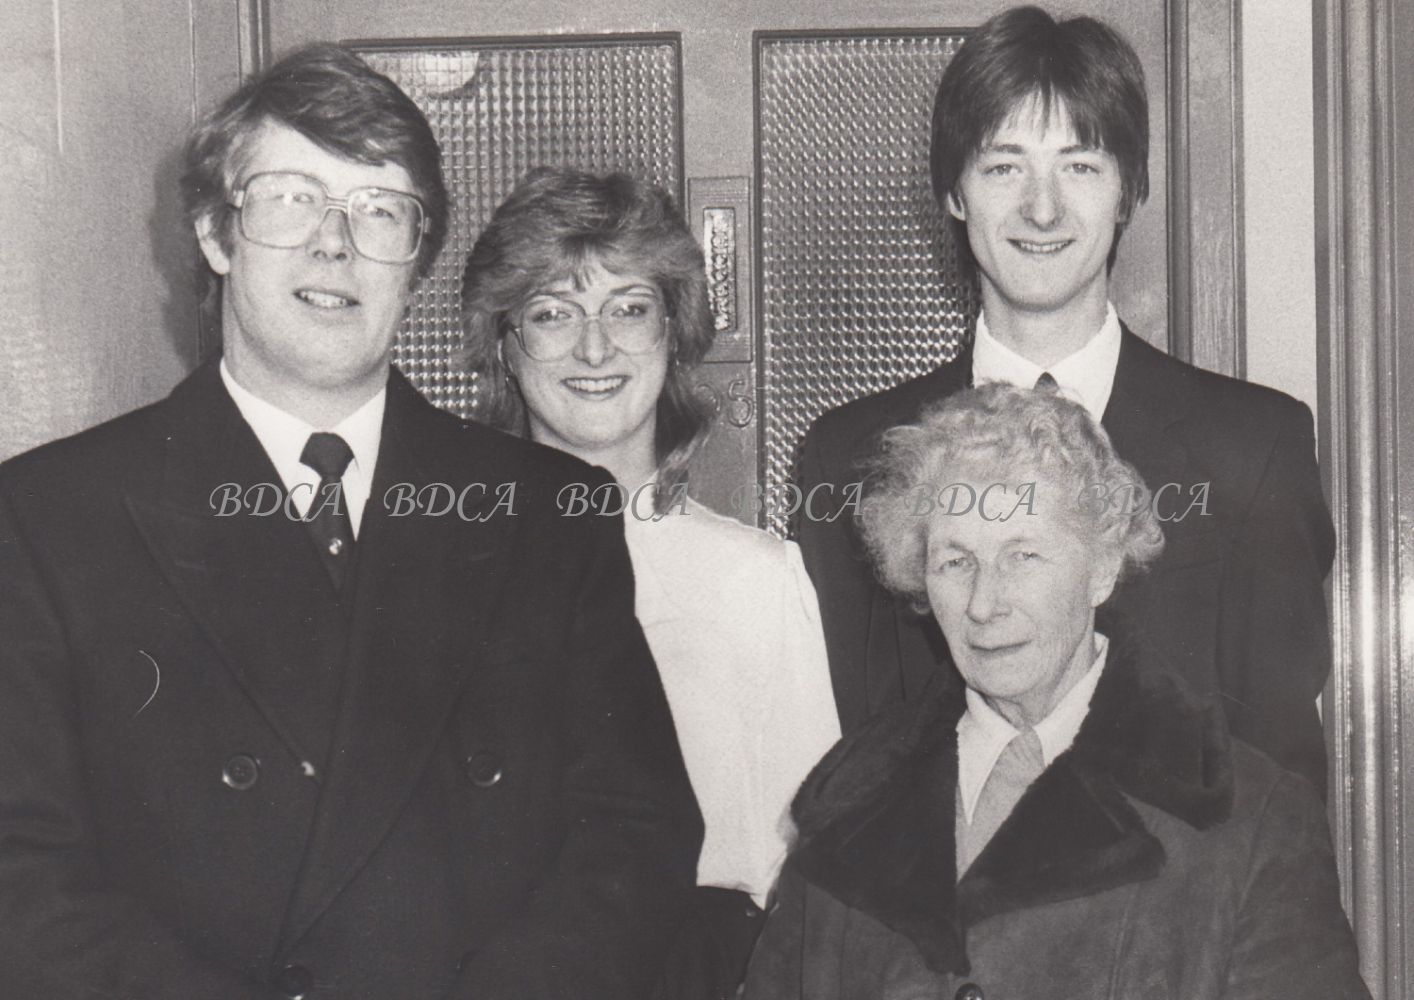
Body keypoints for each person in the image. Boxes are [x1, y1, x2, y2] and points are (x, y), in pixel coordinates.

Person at [0, 45, 702, 1000]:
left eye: (379, 210)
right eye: (291, 198)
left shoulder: (551, 513)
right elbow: (23, 878)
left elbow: (636, 837)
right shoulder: (49, 518)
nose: (334, 243)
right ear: (215, 233)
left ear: (416, 260)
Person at [797, 4, 1336, 795]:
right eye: (1003, 167)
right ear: (954, 192)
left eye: (1079, 166)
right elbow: (846, 771)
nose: (1042, 209)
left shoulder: (1255, 448)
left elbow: (1283, 788)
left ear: (1128, 191)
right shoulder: (849, 457)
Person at [745, 383, 1368, 1000]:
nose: (984, 605)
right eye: (956, 562)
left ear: (1101, 567)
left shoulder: (1250, 818)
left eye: (1023, 557)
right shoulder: (850, 797)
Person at [460, 167, 841, 999]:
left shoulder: (756, 580)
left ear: (675, 333)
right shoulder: (449, 577)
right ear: (503, 347)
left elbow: (812, 879)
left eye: (629, 309)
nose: (595, 349)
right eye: (552, 314)